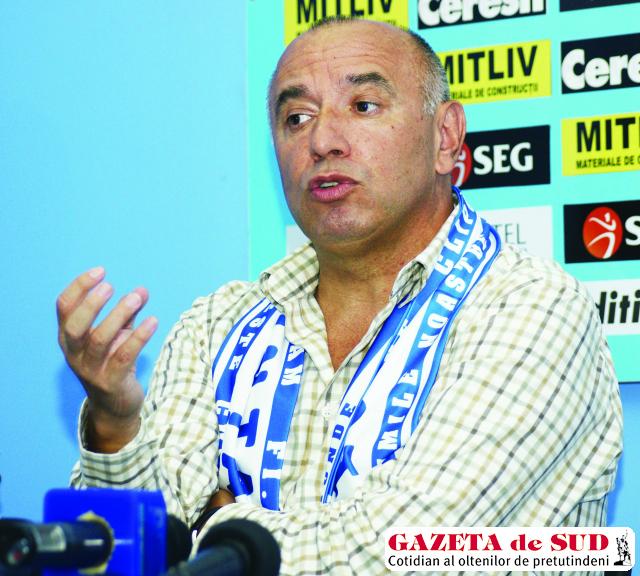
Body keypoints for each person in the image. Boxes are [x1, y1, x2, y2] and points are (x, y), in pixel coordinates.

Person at [57, 18, 622, 575]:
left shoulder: (530, 309)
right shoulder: (217, 324)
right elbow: (113, 557)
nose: (322, 141)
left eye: (363, 106)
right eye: (297, 118)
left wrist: (211, 522)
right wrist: (116, 425)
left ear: (445, 137)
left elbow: (396, 556)